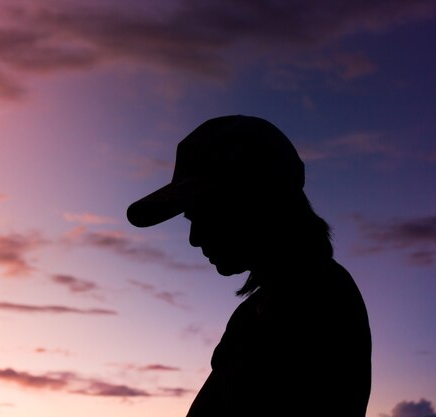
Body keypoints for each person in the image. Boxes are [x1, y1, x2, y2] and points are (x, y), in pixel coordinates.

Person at [126, 115, 371, 417]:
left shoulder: (318, 301)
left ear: (257, 200)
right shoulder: (258, 311)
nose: (193, 238)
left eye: (205, 213)